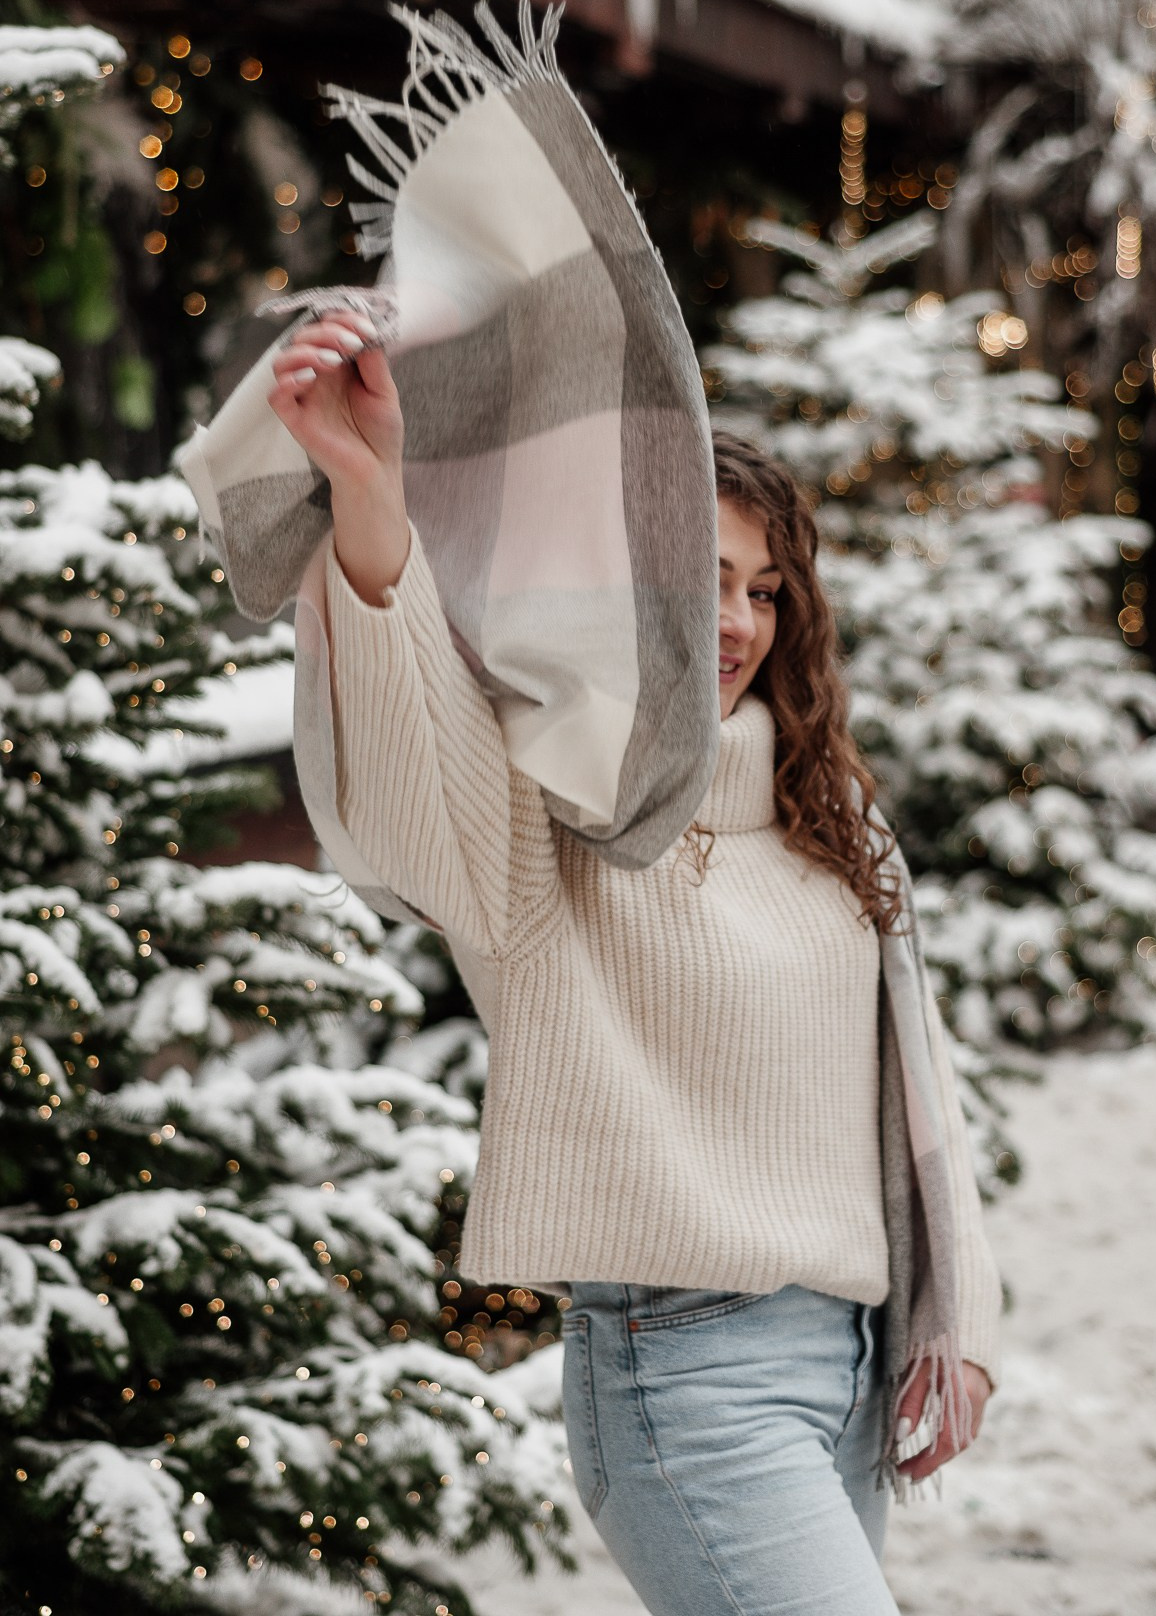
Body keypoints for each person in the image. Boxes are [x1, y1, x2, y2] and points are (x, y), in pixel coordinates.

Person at [267, 308, 1001, 1616]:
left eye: (763, 589)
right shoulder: (548, 818)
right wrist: (371, 491)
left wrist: (958, 1324)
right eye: (701, 578)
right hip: (689, 1380)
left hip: (841, 1360)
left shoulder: (824, 812)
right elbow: (408, 753)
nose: (737, 623)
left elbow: (911, 1086)